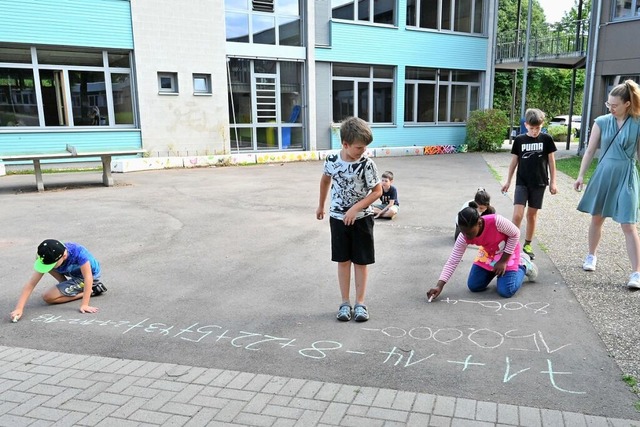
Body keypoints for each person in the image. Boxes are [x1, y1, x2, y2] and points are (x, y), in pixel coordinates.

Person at [574, 79, 640, 289]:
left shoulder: (637, 123)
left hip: (627, 174)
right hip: (604, 173)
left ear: (627, 104)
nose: (610, 108)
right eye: (608, 104)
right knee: (597, 218)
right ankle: (591, 256)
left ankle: (636, 273)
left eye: (615, 105)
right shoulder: (601, 121)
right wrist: (581, 175)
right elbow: (591, 150)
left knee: (629, 224)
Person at [316, 117, 382, 322]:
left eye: (365, 147)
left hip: (362, 219)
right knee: (343, 261)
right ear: (345, 144)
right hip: (338, 219)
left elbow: (377, 191)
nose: (363, 151)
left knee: (361, 262)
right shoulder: (332, 161)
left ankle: (360, 304)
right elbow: (326, 179)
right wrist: (321, 205)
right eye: (359, 147)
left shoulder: (367, 164)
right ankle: (344, 303)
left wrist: (356, 208)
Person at [428, 207, 538, 301]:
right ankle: (495, 271)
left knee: (506, 291)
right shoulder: (464, 236)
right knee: (474, 286)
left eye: (470, 233)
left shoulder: (496, 221)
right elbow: (453, 260)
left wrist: (503, 261)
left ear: (479, 223)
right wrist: (439, 286)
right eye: (463, 232)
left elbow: (515, 234)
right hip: (489, 254)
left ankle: (523, 265)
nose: (467, 236)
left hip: (507, 252)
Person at [501, 108, 558, 260]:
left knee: (531, 215)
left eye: (538, 128)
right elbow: (514, 162)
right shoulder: (519, 140)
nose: (534, 131)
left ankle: (527, 244)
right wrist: (508, 181)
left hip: (539, 183)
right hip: (522, 182)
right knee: (517, 215)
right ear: (526, 125)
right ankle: (512, 244)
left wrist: (553, 182)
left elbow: (552, 162)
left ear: (542, 125)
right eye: (532, 128)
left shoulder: (546, 139)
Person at [10, 239, 107, 322]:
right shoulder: (46, 256)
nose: (47, 266)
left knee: (48, 297)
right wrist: (19, 308)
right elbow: (31, 284)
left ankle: (91, 290)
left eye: (52, 264)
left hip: (86, 275)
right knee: (47, 267)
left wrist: (85, 305)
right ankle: (68, 286)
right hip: (70, 271)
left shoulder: (79, 253)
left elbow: (88, 277)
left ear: (64, 256)